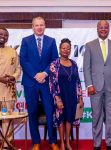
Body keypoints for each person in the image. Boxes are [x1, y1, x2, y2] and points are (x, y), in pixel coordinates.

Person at [20, 16, 59, 150]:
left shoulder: (51, 41)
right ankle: (36, 142)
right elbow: (23, 61)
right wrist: (36, 75)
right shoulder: (25, 41)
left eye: (41, 25)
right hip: (30, 82)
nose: (39, 27)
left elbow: (55, 61)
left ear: (45, 26)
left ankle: (53, 141)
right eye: (36, 25)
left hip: (47, 82)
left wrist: (45, 73)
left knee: (50, 112)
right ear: (32, 27)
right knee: (32, 112)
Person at [83, 20, 111, 150]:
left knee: (110, 116)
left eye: (106, 27)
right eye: (101, 27)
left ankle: (110, 143)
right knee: (96, 116)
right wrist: (89, 85)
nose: (103, 29)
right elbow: (86, 68)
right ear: (97, 29)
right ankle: (97, 144)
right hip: (95, 87)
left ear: (109, 29)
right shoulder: (89, 46)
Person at [49, 38, 84, 150]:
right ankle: (62, 143)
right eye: (63, 48)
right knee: (61, 120)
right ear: (60, 49)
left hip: (72, 96)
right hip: (60, 96)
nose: (65, 50)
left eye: (68, 48)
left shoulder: (74, 64)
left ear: (70, 50)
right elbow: (52, 83)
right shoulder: (55, 64)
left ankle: (68, 142)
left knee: (69, 119)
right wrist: (57, 99)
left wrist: (80, 97)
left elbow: (78, 81)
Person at [0, 27, 21, 147]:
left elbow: (18, 69)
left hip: (8, 91)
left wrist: (12, 77)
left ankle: (7, 144)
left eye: (5, 35)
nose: (3, 36)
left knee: (7, 119)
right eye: (1, 34)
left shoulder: (12, 51)